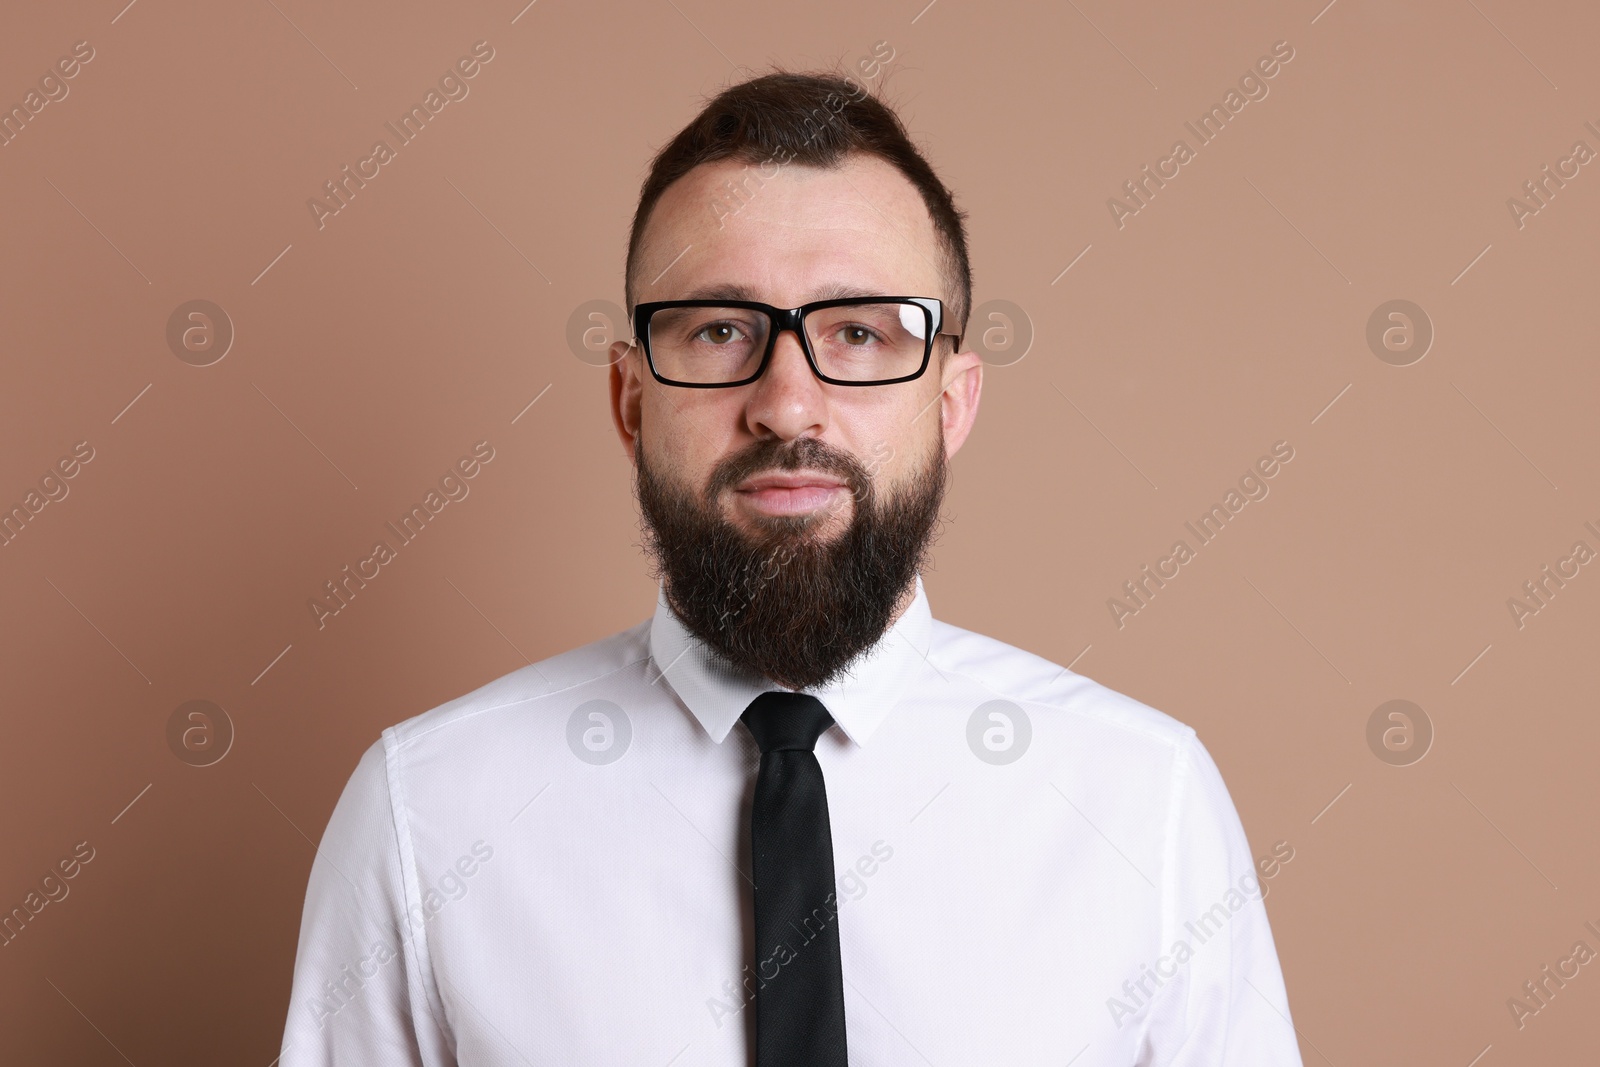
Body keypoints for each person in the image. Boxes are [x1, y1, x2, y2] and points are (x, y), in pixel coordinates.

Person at [279, 69, 1304, 1066]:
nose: (787, 402)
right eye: (721, 329)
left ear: (952, 403)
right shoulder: (428, 811)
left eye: (859, 333)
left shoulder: (1141, 803)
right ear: (629, 398)